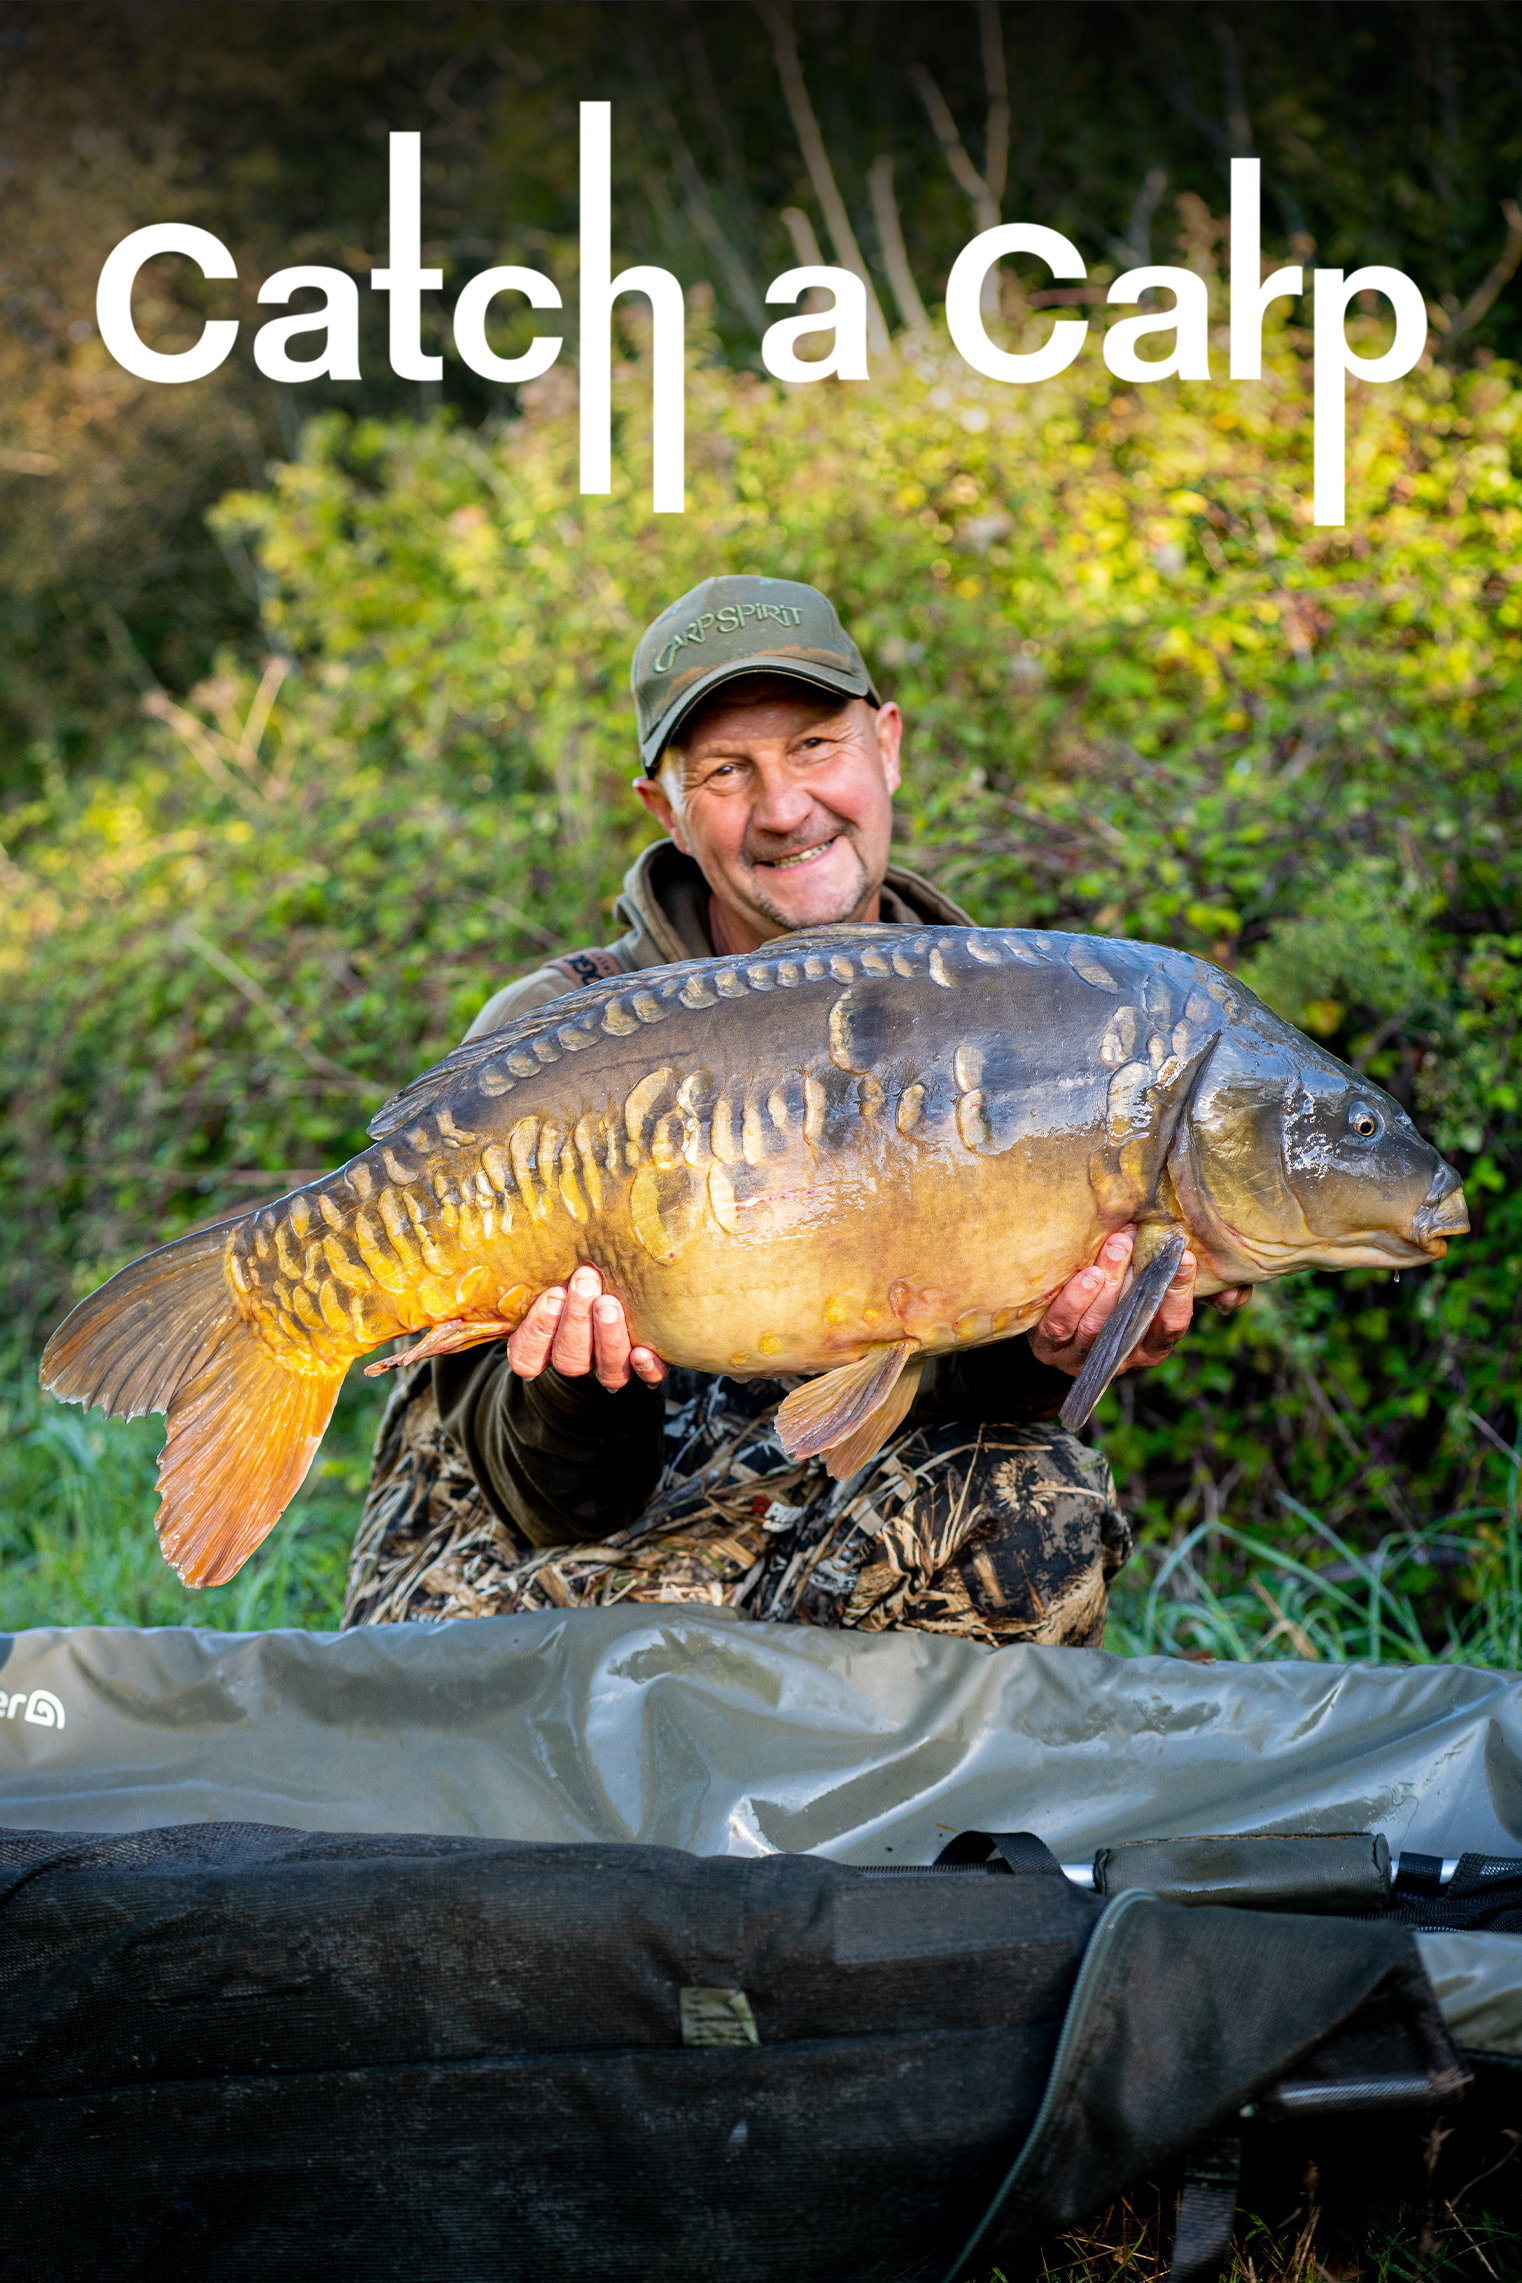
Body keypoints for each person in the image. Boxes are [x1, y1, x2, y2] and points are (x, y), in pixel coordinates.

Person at [344, 577, 1247, 1644]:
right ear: (665, 809)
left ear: (888, 745)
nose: (783, 808)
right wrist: (585, 1386)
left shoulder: (1024, 1022)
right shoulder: (552, 1035)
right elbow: (547, 1505)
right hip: (546, 1578)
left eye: (815, 745)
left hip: (812, 1544)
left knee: (1029, 1500)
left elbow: (937, 1428)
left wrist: (1043, 1350)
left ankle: (887, 1808)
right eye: (727, 772)